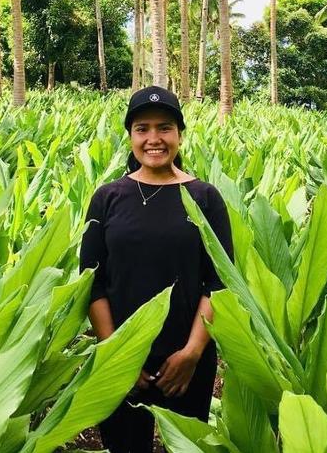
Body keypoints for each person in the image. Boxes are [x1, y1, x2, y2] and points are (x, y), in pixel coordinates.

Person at [79, 85, 233, 453]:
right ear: (130, 136)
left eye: (164, 127)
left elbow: (219, 282)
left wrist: (193, 352)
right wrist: (118, 356)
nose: (153, 139)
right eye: (142, 128)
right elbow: (92, 282)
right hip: (124, 355)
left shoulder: (205, 197)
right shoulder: (108, 198)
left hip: (186, 361)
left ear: (179, 134)